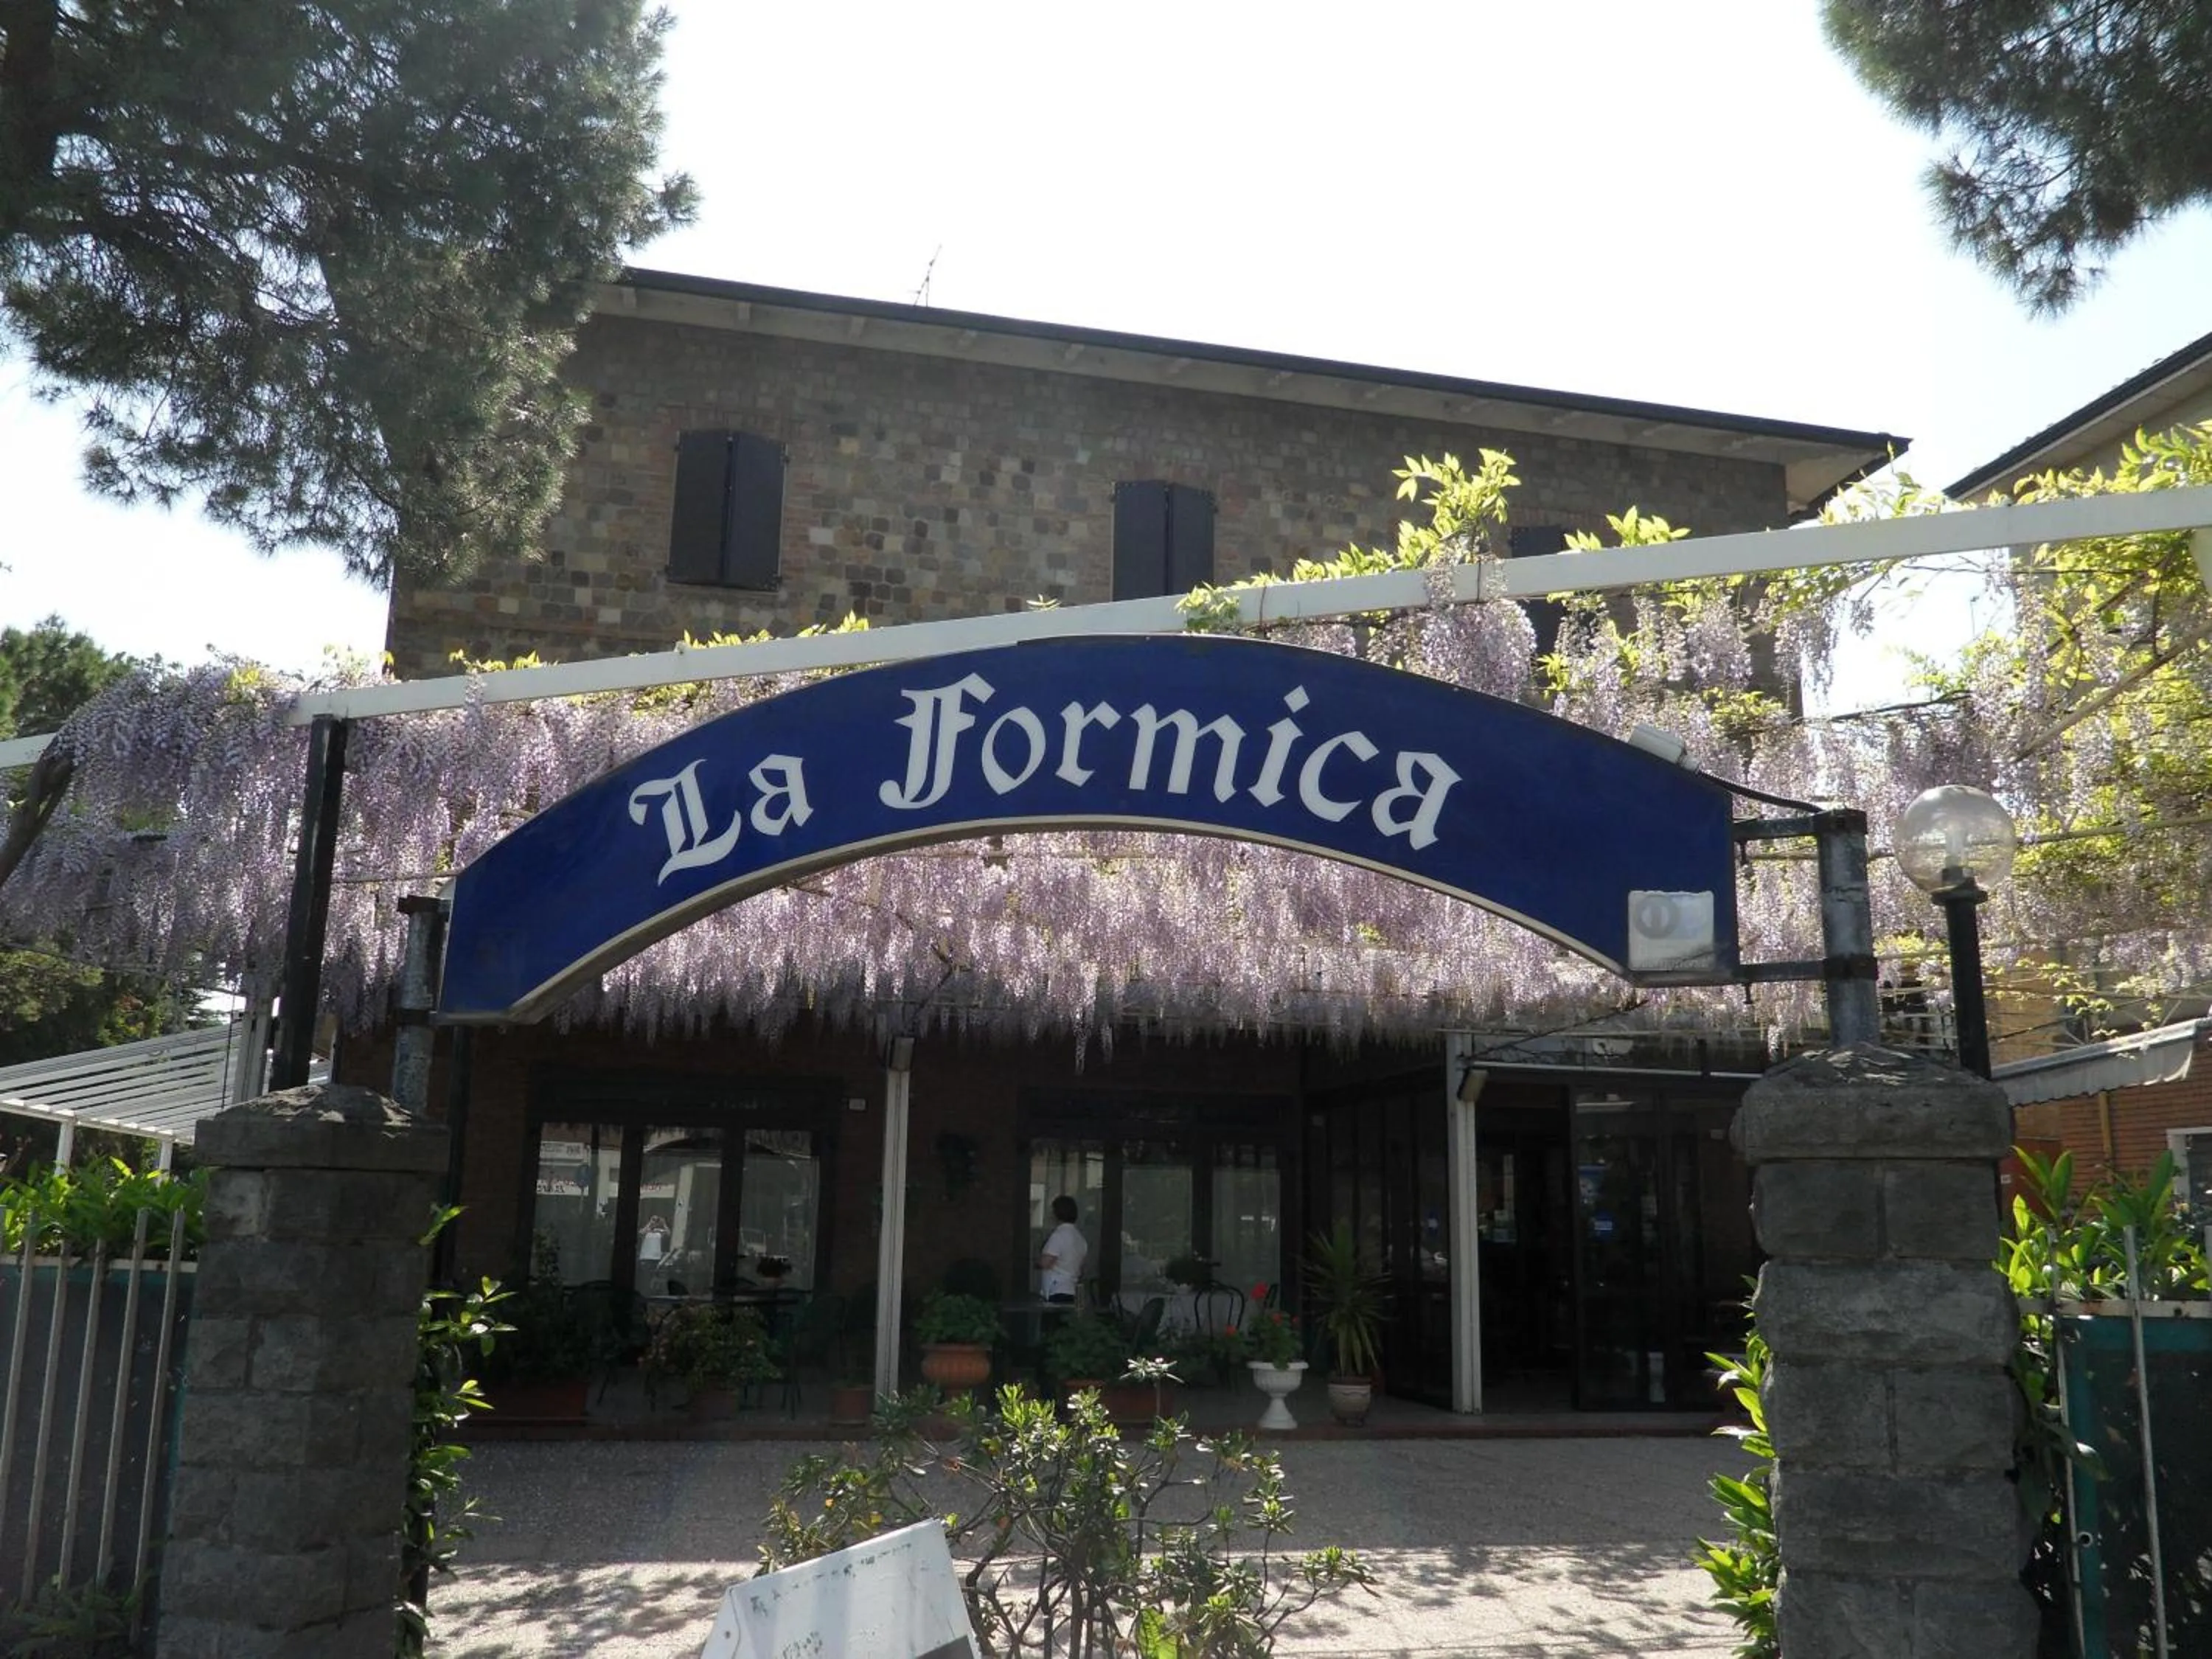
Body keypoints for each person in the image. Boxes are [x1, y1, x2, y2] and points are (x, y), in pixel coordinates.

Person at [1037, 1194, 1088, 1303]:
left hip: (1056, 1289)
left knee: (1053, 1319)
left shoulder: (1059, 1236)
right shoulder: (1080, 1239)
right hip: (1072, 1288)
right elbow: (1081, 1267)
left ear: (1057, 1214)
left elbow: (1046, 1262)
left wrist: (1038, 1262)